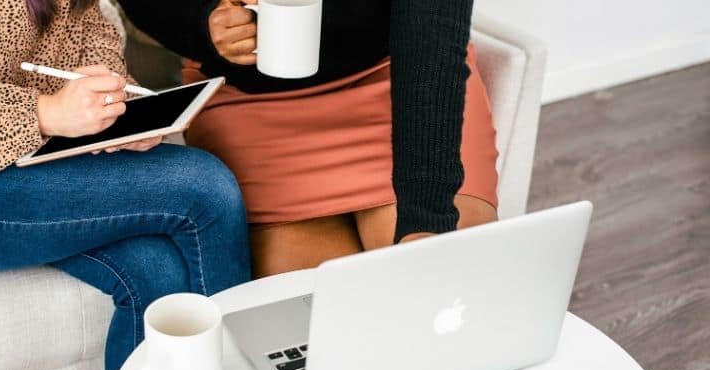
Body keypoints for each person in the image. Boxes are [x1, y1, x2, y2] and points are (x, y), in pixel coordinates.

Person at [0, 0, 250, 370]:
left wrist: (115, 107)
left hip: (26, 155)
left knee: (159, 269)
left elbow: (90, 29)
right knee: (205, 185)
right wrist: (46, 112)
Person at [119, 0, 497, 277]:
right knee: (317, 329)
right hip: (249, 106)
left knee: (443, 294)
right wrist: (204, 23)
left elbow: (432, 30)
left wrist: (427, 214)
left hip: (404, 81)